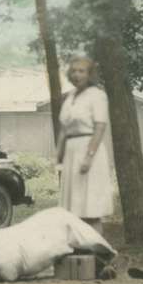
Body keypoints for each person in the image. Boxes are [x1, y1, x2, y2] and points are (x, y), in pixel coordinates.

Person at [56, 57, 114, 235]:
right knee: (73, 211)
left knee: (90, 209)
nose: (76, 74)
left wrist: (89, 157)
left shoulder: (97, 95)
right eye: (73, 71)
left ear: (90, 74)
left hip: (89, 151)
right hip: (71, 153)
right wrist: (58, 158)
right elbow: (64, 130)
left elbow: (100, 127)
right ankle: (78, 255)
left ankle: (98, 258)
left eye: (81, 71)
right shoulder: (70, 97)